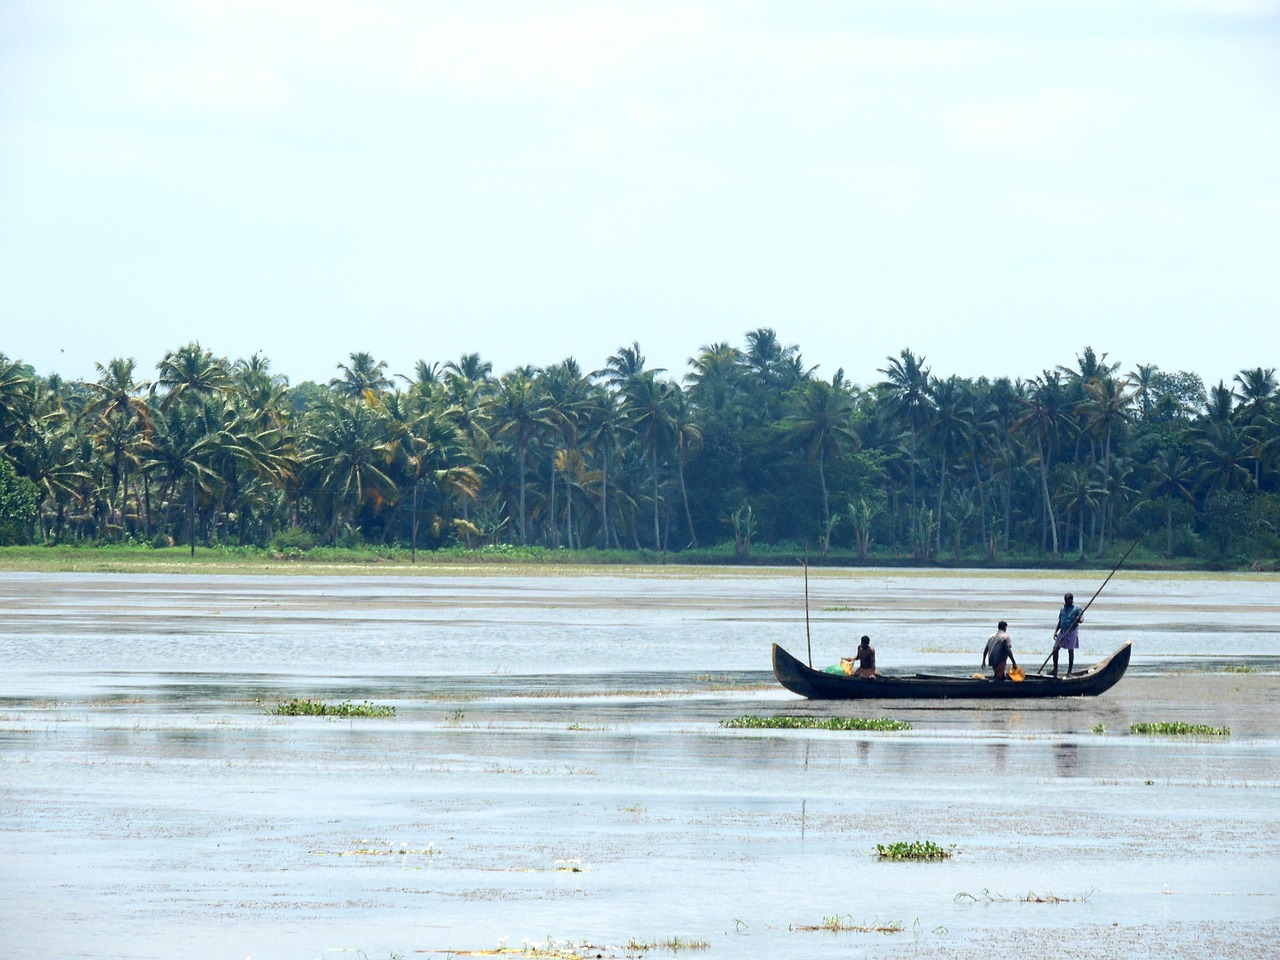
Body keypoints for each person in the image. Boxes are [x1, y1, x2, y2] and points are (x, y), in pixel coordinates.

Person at [1052, 592, 1083, 677]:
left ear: (1071, 600)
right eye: (1065, 600)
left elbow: (1081, 620)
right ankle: (1055, 670)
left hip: (1072, 631)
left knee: (1070, 651)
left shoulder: (1077, 608)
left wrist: (1078, 619)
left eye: (1068, 600)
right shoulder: (1062, 608)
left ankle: (1069, 672)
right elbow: (1060, 620)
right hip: (1062, 631)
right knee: (1055, 649)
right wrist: (1055, 631)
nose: (1066, 602)